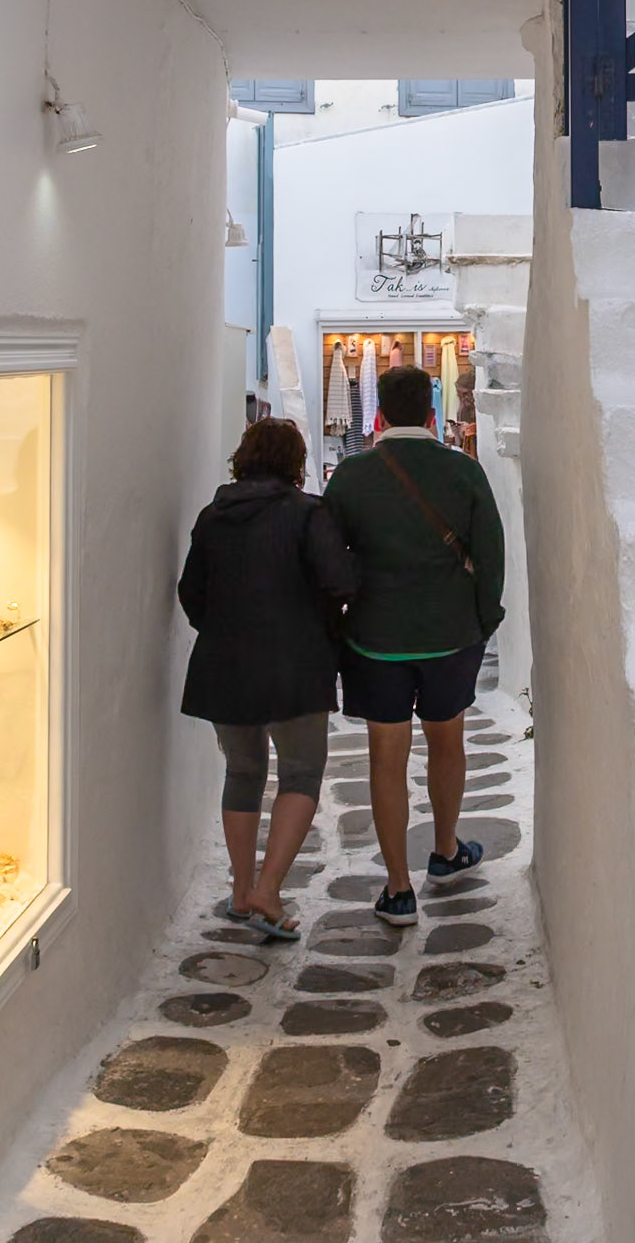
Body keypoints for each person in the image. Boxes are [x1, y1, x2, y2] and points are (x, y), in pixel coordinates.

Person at [323, 364, 505, 926]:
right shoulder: (463, 471)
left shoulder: (352, 475)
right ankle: (446, 851)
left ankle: (398, 887)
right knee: (447, 743)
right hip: (450, 633)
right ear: (431, 413)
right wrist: (483, 618)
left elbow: (328, 559)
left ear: (379, 413)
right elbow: (491, 551)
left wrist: (343, 619)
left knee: (386, 758)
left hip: (376, 638)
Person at [178, 417, 358, 939]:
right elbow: (340, 581)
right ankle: (269, 889)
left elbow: (191, 592)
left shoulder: (213, 516)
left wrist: (225, 631)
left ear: (244, 457)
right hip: (295, 664)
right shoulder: (308, 514)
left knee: (242, 771)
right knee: (300, 773)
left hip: (225, 664)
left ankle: (241, 890)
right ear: (294, 463)